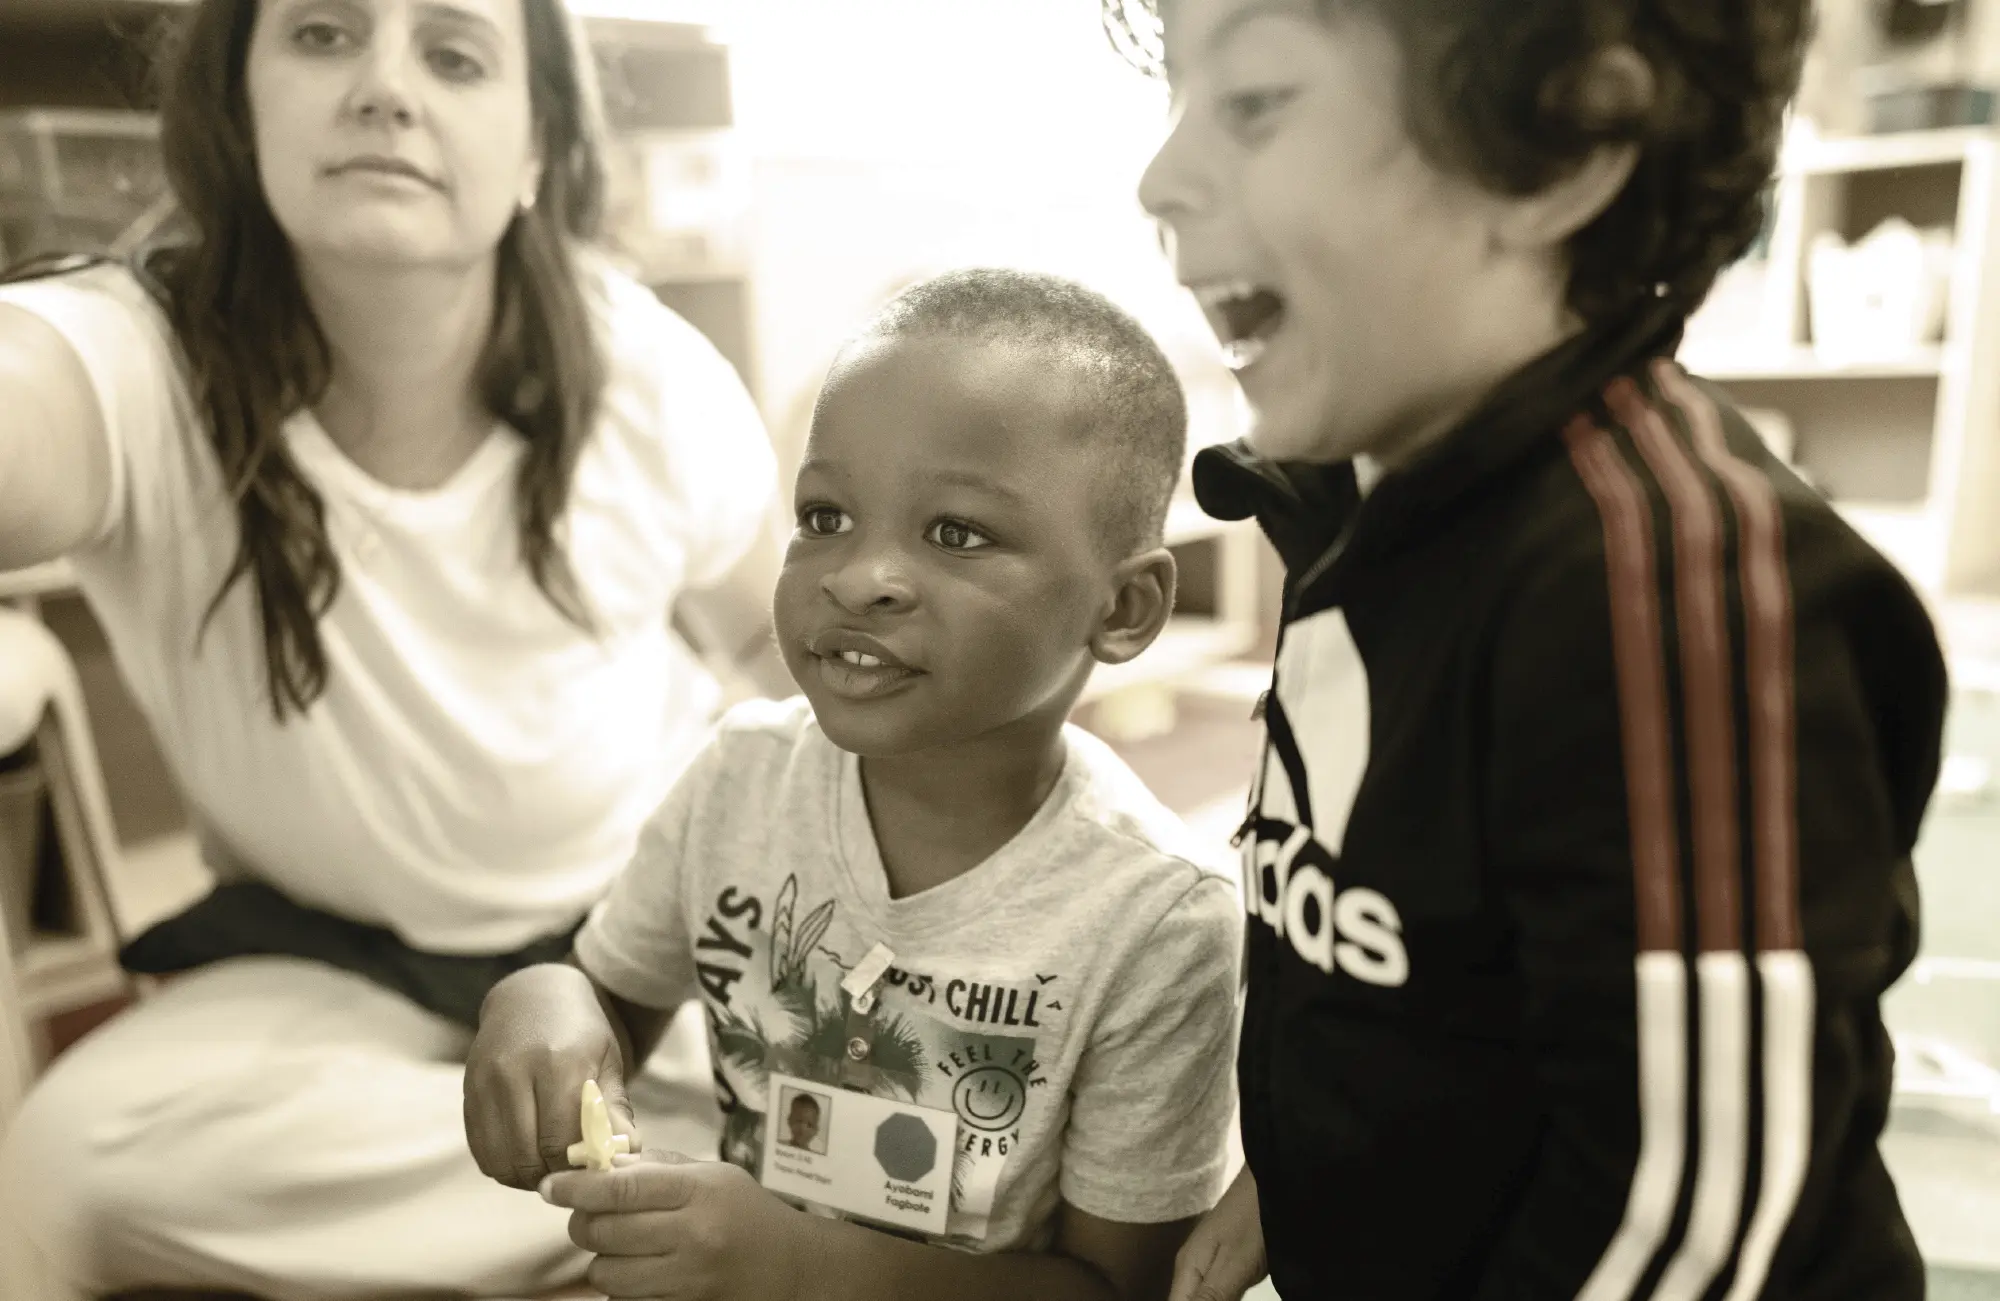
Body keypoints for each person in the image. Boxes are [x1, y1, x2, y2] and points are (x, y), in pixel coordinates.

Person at [1114, 1, 1953, 1299]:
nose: (1158, 176)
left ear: (1559, 154)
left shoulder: (1667, 584)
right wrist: (1294, 1168)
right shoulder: (1362, 500)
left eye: (1256, 101)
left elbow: (1701, 1214)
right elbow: (1400, 952)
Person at [0, 0, 792, 1295]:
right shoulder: (134, 351)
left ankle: (637, 1184)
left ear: (536, 147)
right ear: (236, 102)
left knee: (868, 1122)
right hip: (330, 968)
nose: (385, 88)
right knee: (65, 1172)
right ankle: (639, 1200)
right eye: (321, 35)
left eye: (455, 53)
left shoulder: (643, 370)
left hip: (634, 964)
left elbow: (773, 646)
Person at [463, 268, 1243, 1301]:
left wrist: (792, 1265)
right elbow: (610, 996)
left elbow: (1118, 1289)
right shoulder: (739, 773)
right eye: (824, 514)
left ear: (1126, 606)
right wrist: (541, 997)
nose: (856, 573)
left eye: (955, 531)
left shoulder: (1159, 919)